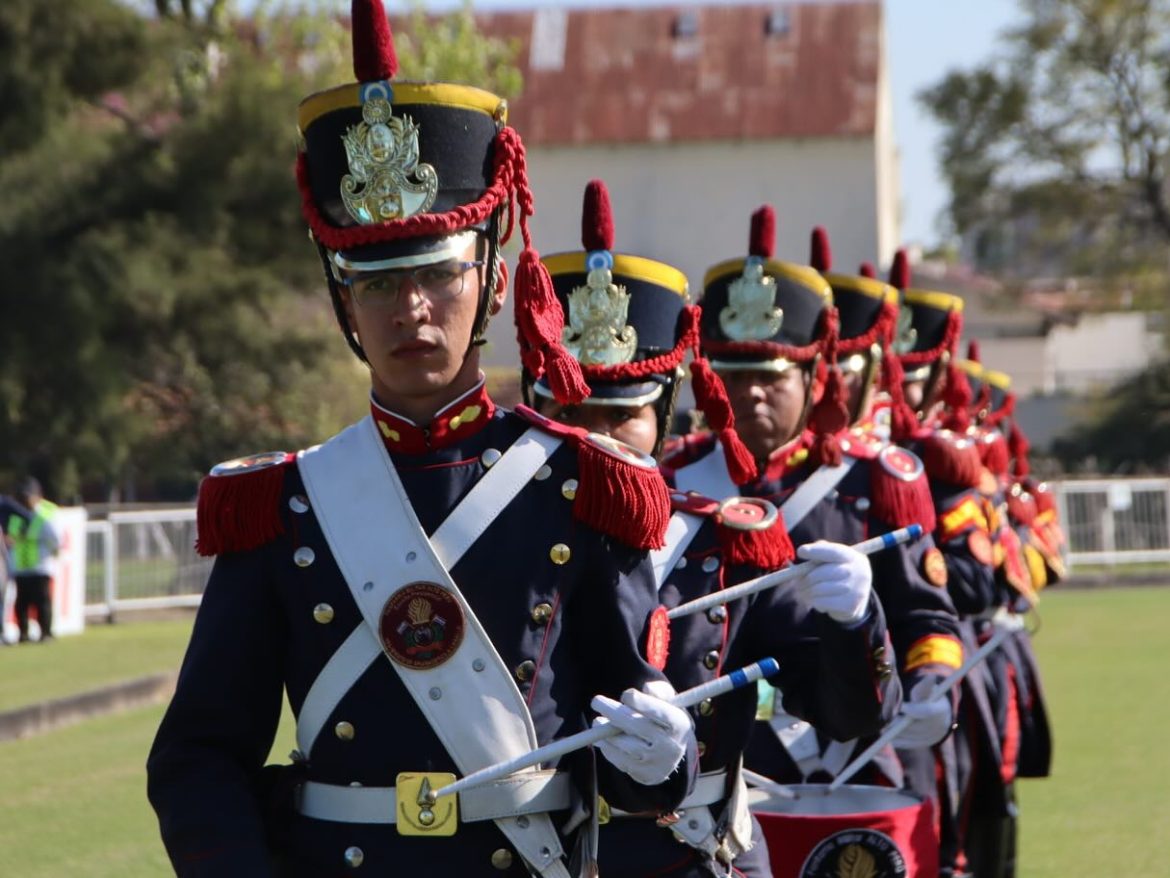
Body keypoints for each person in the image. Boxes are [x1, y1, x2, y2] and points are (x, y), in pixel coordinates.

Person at [147, 4, 698, 875]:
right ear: (342, 299)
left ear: (486, 276)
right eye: (377, 281)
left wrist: (665, 760)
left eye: (439, 275)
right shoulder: (281, 506)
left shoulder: (583, 485)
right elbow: (198, 757)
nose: (411, 310)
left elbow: (633, 764)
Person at [527, 181, 900, 876]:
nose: (598, 440)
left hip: (696, 858)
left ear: (663, 416)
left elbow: (848, 714)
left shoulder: (725, 545)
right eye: (574, 416)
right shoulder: (494, 544)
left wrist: (856, 621)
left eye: (624, 416)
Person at [664, 211, 962, 876]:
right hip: (723, 776)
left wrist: (934, 687)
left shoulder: (873, 481)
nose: (753, 394)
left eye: (772, 376)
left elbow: (927, 618)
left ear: (813, 376)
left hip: (860, 756)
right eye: (735, 376)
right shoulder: (673, 481)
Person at [884, 266, 1006, 878]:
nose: (897, 384)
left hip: (928, 660)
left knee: (947, 808)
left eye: (911, 372)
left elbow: (979, 584)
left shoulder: (948, 465)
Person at [6, 477, 60, 643]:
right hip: (21, 567)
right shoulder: (15, 514)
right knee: (22, 603)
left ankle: (46, 632)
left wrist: (48, 555)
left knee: (42, 602)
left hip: (40, 566)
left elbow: (55, 539)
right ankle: (23, 633)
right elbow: (11, 538)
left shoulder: (45, 514)